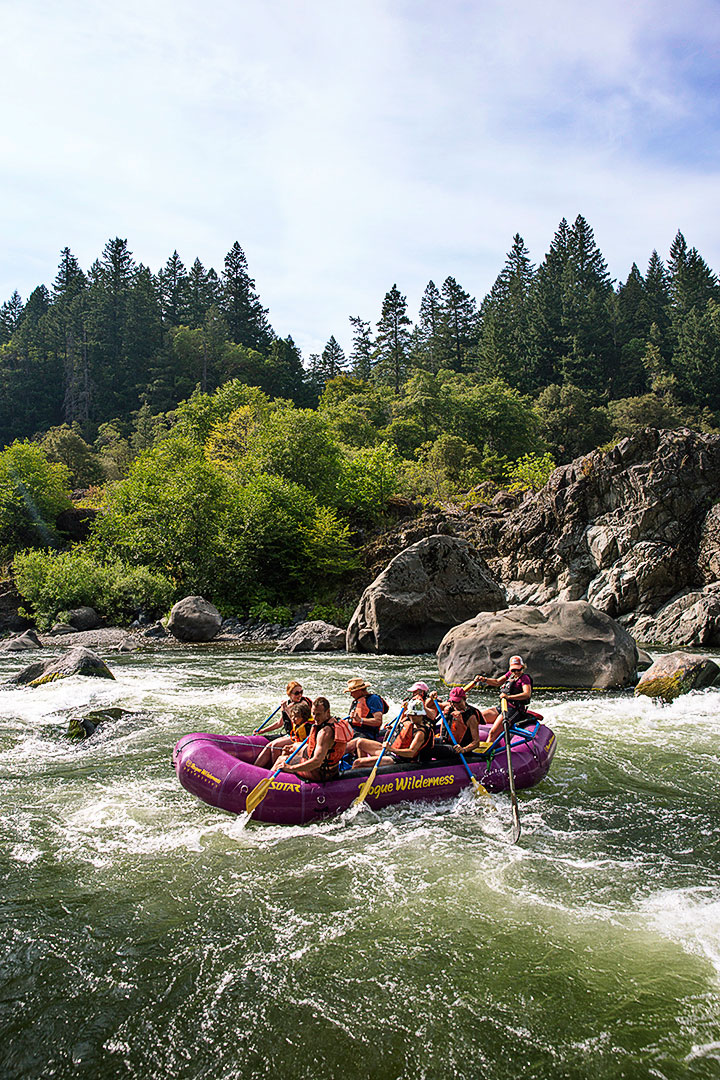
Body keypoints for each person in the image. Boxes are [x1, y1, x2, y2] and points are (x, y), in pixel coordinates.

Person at [275, 697, 353, 782]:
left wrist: (290, 768)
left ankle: (269, 781)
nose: (315, 718)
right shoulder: (333, 721)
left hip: (320, 773)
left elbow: (317, 762)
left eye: (318, 714)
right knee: (292, 747)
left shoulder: (325, 733)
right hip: (330, 769)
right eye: (313, 713)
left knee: (281, 760)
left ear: (327, 712)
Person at [352, 699, 433, 769]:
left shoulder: (420, 733)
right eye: (410, 714)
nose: (411, 716)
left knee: (357, 763)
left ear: (421, 715)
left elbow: (411, 753)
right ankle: (366, 771)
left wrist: (391, 749)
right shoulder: (408, 721)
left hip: (399, 759)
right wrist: (392, 731)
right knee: (360, 742)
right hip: (391, 752)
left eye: (414, 715)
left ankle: (360, 772)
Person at [477, 655, 533, 744]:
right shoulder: (510, 675)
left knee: (493, 732)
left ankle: (487, 751)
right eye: (514, 670)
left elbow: (527, 694)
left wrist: (508, 697)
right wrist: (484, 680)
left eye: (518, 669)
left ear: (522, 667)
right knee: (477, 718)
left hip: (513, 710)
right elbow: (497, 682)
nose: (516, 672)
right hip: (503, 707)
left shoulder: (524, 678)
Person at [253, 700, 313, 769]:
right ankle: (256, 767)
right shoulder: (298, 722)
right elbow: (281, 722)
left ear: (304, 717)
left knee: (278, 748)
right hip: (296, 741)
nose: (293, 719)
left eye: (296, 717)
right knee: (272, 747)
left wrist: (292, 747)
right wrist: (262, 731)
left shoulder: (308, 727)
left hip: (303, 748)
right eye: (292, 716)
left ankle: (275, 770)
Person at [434, 685, 483, 755]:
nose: (455, 705)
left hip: (457, 749)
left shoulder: (471, 717)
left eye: (458, 702)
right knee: (425, 743)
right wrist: (431, 698)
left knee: (429, 749)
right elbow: (430, 705)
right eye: (453, 702)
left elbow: (476, 742)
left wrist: (464, 750)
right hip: (444, 742)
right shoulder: (449, 708)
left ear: (464, 699)